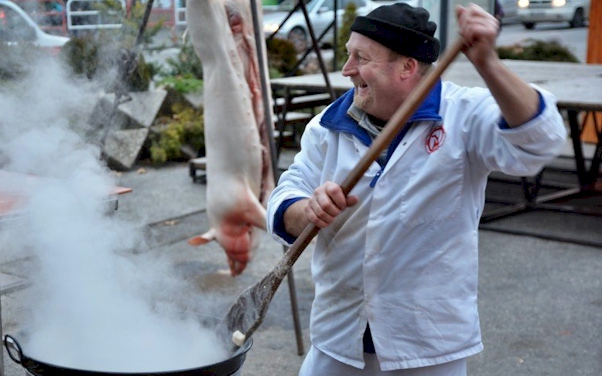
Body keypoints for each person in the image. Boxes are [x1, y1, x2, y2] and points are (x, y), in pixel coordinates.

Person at [266, 2, 567, 376]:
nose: (347, 70)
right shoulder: (326, 128)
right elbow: (284, 197)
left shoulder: (463, 116)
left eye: (361, 57)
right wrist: (306, 210)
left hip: (428, 347)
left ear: (408, 67)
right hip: (339, 338)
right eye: (348, 55)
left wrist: (488, 63)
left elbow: (540, 140)